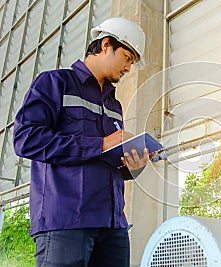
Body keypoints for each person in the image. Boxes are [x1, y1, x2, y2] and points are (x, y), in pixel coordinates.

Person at [13, 17, 148, 267]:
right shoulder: (54, 83)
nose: (129, 68)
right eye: (128, 57)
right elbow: (26, 139)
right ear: (106, 44)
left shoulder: (113, 105)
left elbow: (108, 160)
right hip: (66, 222)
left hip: (113, 225)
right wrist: (101, 143)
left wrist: (133, 164)